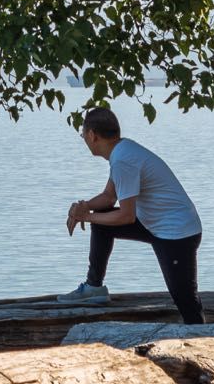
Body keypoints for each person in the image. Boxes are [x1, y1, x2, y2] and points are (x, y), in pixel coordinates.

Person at [57, 105, 204, 322]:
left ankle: (201, 341)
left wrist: (86, 216)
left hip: (177, 233)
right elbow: (108, 197)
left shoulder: (124, 160)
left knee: (187, 305)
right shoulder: (122, 152)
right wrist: (84, 207)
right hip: (154, 223)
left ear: (92, 135)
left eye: (83, 135)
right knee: (101, 220)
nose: (84, 139)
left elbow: (127, 217)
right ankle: (94, 287)